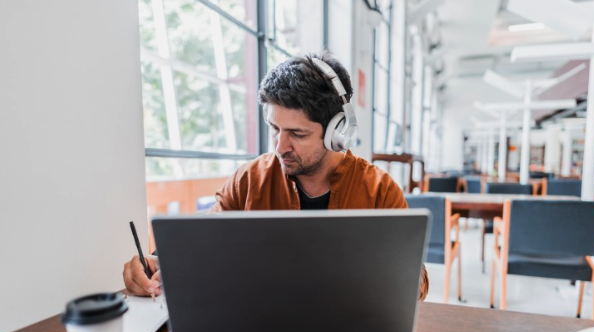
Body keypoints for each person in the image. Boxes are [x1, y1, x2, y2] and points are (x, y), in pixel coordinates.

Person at [123, 52, 429, 300]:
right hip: (259, 329)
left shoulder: (379, 190)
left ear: (337, 133)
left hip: (350, 331)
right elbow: (201, 246)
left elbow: (417, 283)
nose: (280, 146)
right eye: (274, 129)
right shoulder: (248, 181)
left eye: (297, 133)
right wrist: (157, 264)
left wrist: (394, 276)